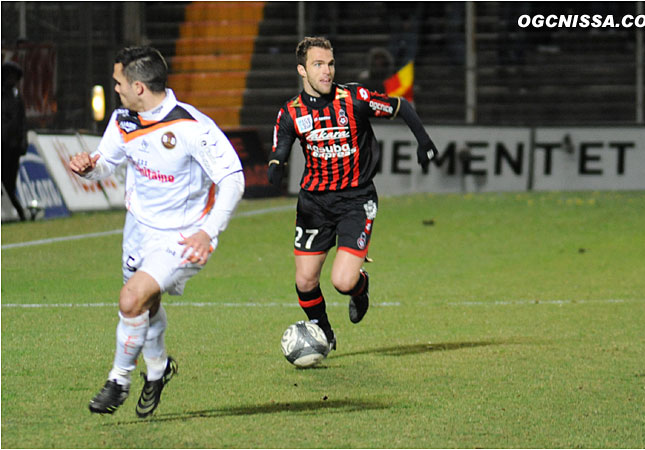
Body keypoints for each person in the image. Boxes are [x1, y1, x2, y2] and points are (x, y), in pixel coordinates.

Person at [69, 46, 244, 417]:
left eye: (119, 83)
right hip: (138, 230)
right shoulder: (123, 120)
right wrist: (89, 167)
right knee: (146, 305)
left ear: (138, 87)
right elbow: (106, 163)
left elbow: (232, 178)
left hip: (184, 238)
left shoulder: (191, 127)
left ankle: (118, 379)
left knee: (131, 299)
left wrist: (208, 231)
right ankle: (159, 369)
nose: (114, 89)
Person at [268, 36, 438, 353]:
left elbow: (401, 106)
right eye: (318, 64)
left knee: (343, 281)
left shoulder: (354, 97)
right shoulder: (291, 112)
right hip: (313, 204)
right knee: (305, 281)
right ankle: (324, 331)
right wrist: (276, 165)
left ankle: (361, 289)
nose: (327, 71)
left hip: (356, 201)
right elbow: (280, 147)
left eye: (330, 63)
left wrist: (423, 141)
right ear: (302, 70)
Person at [1, 61, 28, 221]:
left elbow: (22, 122)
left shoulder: (17, 98)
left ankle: (19, 213)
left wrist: (22, 141)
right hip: (2, 145)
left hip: (12, 147)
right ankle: (18, 213)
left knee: (9, 182)